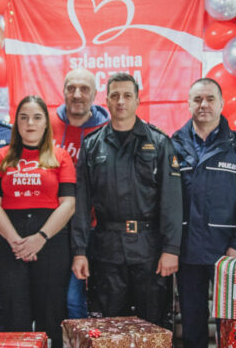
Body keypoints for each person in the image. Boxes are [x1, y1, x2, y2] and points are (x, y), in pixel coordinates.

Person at [72, 72, 183, 328]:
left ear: (137, 100)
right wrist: (79, 251)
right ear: (107, 101)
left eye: (127, 95)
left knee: (153, 326)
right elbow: (80, 203)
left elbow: (172, 201)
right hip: (106, 249)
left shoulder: (158, 142)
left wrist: (171, 250)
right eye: (115, 95)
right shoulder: (92, 145)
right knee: (109, 328)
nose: (121, 101)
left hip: (150, 250)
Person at [0, 96, 76, 348]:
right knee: (14, 314)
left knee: (52, 314)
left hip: (51, 239)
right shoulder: (2, 156)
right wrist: (14, 240)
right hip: (8, 241)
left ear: (46, 123)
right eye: (23, 117)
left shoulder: (61, 156)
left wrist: (41, 237)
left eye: (36, 117)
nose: (30, 123)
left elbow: (69, 203)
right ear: (16, 123)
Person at [171, 78, 236, 348]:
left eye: (210, 99)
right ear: (188, 104)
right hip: (187, 252)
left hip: (227, 252)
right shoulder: (173, 145)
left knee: (230, 325)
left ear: (222, 103)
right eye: (197, 99)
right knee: (192, 324)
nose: (203, 105)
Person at [49, 68, 110, 319]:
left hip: (99, 227)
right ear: (63, 92)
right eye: (71, 88)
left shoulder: (109, 129)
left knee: (101, 299)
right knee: (66, 300)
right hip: (58, 227)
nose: (77, 94)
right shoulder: (47, 125)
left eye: (84, 89)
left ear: (95, 95)